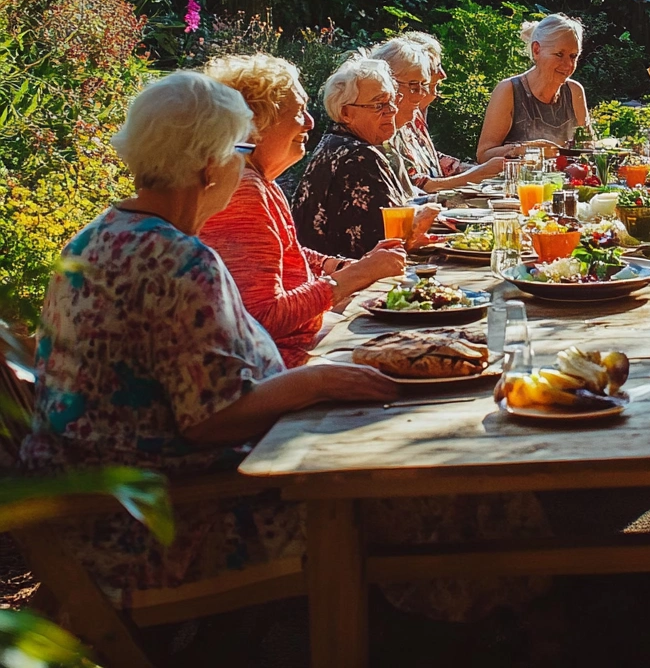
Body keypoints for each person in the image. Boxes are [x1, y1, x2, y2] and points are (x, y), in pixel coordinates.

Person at [19, 71, 406, 602]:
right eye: (241, 150)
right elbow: (211, 420)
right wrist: (317, 384)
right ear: (209, 163)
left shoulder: (97, 236)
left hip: (103, 511)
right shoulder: (178, 261)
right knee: (398, 493)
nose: (243, 166)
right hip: (164, 527)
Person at [198, 53, 412, 368]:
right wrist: (359, 274)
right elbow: (263, 318)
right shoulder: (243, 191)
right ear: (257, 123)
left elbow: (285, 252)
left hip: (300, 348)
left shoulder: (257, 179)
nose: (311, 122)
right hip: (281, 367)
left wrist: (340, 265)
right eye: (299, 111)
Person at [290, 55, 439, 260]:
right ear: (345, 113)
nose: (392, 111)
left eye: (391, 101)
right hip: (348, 281)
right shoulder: (359, 157)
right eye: (379, 105)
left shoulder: (333, 143)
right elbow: (383, 244)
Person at [370, 36, 505, 194]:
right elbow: (416, 187)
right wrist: (479, 173)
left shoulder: (413, 116)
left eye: (423, 83)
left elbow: (431, 161)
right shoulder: (384, 127)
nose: (442, 75)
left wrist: (480, 169)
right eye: (415, 85)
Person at [476, 14, 590, 161]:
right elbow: (483, 155)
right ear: (536, 50)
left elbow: (588, 149)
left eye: (573, 56)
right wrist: (526, 150)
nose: (568, 64)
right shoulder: (509, 90)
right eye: (559, 55)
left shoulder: (575, 91)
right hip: (516, 183)